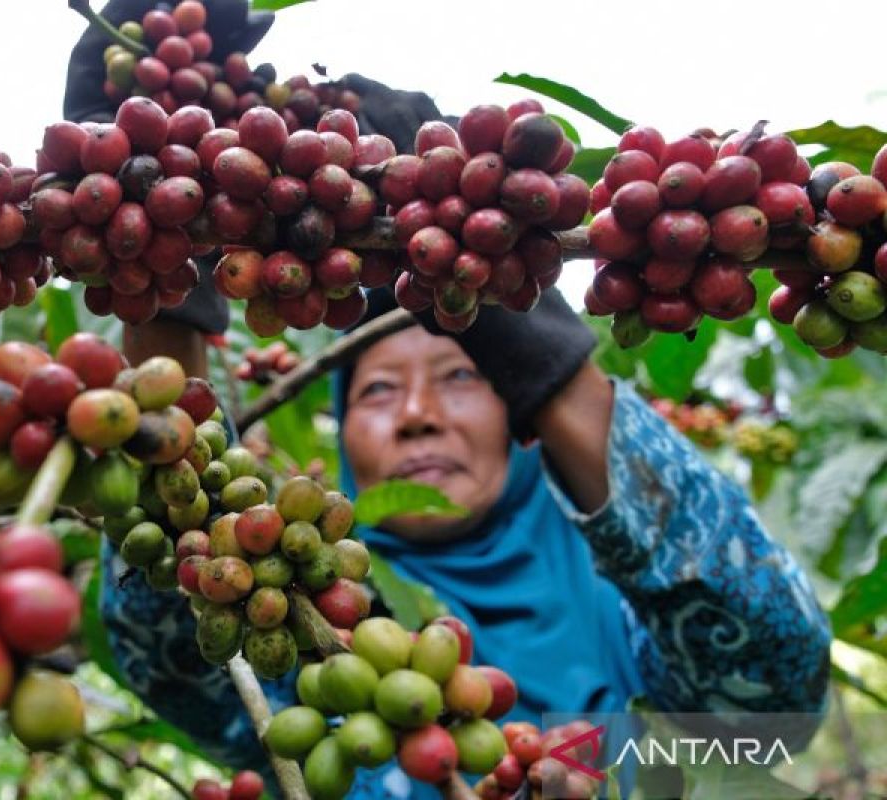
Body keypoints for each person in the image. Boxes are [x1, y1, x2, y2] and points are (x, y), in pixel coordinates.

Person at [64, 3, 832, 796]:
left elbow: (777, 691)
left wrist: (535, 348)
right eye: (381, 389)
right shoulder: (307, 618)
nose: (418, 413)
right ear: (342, 435)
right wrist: (148, 258)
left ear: (520, 423)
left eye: (464, 376)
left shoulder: (622, 619)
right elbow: (174, 641)